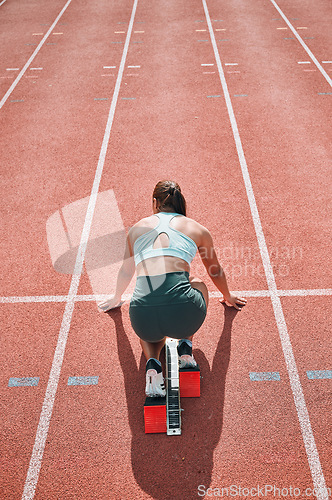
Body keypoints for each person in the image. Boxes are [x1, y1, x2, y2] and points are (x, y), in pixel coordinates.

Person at [98, 180, 247, 397]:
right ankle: (185, 348)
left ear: (155, 202)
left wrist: (116, 297)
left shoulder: (137, 229)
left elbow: (125, 271)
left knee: (148, 322)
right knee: (197, 282)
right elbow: (214, 271)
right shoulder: (197, 229)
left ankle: (152, 364)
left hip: (143, 317)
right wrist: (228, 295)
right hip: (184, 316)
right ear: (180, 203)